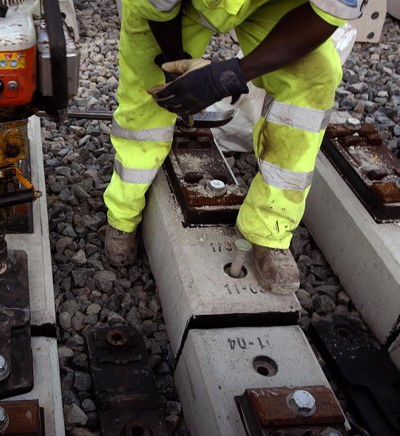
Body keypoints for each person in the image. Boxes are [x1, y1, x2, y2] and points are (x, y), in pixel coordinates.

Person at [102, 0, 362, 294]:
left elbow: (326, 14)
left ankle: (269, 229)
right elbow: (156, 5)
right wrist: (176, 65)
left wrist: (228, 76)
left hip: (271, 5)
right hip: (171, 8)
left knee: (312, 79)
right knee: (146, 100)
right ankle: (123, 214)